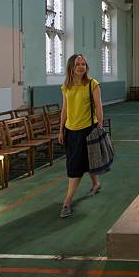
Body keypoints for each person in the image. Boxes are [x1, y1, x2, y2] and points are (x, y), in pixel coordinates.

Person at [58, 54, 104, 218]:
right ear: (71, 67)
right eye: (78, 64)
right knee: (85, 161)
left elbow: (99, 107)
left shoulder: (92, 84)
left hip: (87, 129)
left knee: (75, 167)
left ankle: (67, 202)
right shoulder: (66, 86)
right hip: (71, 131)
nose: (81, 67)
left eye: (84, 64)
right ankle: (96, 183)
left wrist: (100, 126)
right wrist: (61, 129)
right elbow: (65, 109)